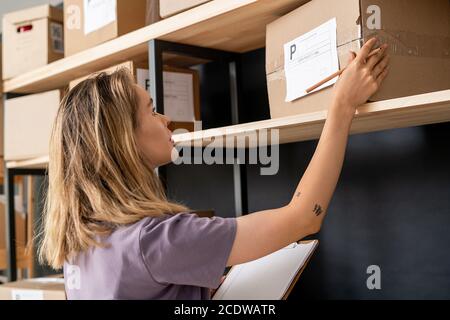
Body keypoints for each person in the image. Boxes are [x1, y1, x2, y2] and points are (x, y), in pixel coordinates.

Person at [39, 38, 389, 299]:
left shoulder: (80, 242)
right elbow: (303, 217)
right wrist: (342, 105)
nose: (166, 119)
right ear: (122, 138)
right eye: (152, 110)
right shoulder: (155, 240)